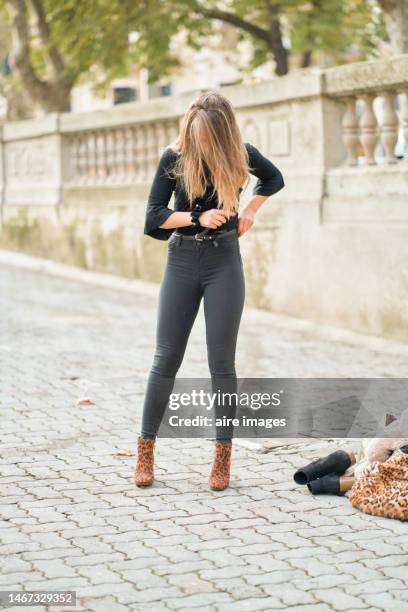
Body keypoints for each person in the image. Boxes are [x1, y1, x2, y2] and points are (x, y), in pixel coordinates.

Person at [134, 91, 285, 491]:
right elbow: (152, 216)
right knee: (166, 357)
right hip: (182, 261)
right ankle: (145, 450)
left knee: (222, 363)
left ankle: (222, 459)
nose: (199, 143)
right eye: (194, 134)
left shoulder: (241, 154)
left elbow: (274, 178)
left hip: (224, 263)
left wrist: (250, 210)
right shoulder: (174, 157)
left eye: (206, 137)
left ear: (221, 134)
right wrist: (196, 216)